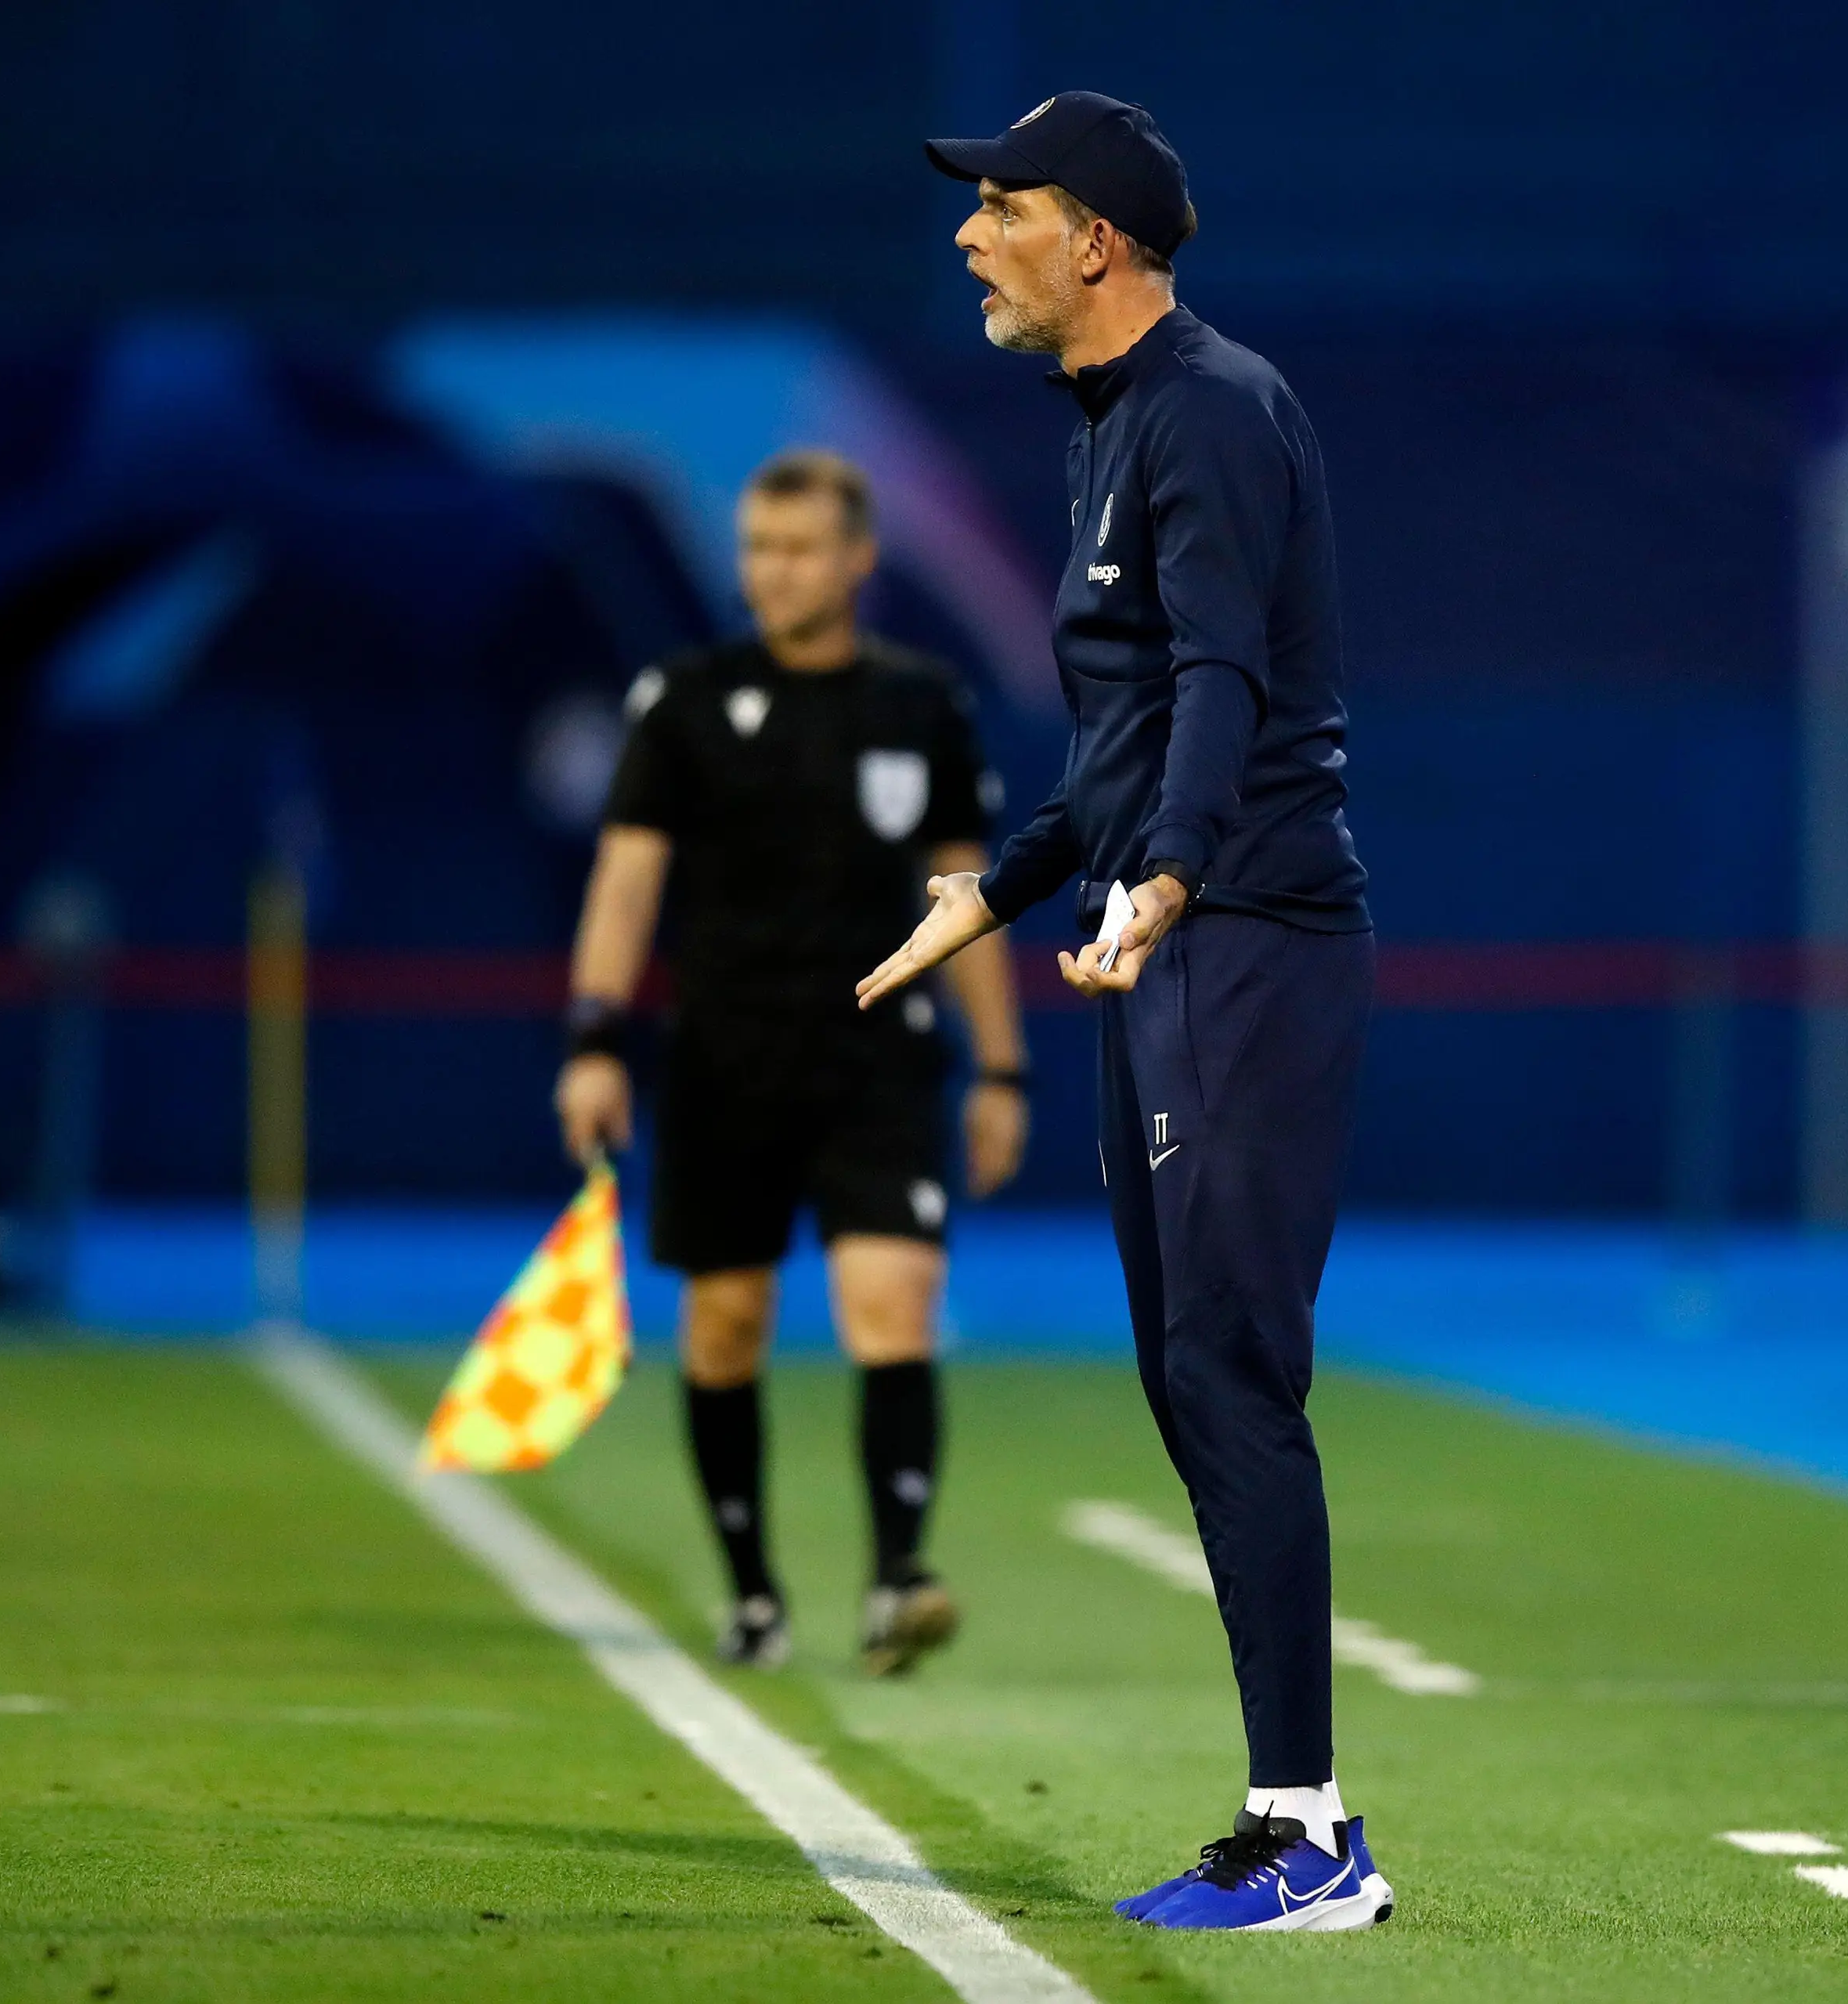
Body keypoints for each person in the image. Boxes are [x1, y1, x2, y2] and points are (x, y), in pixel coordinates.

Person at [858, 94, 1391, 1930]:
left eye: (998, 206)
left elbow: (1230, 681)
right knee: (1189, 1375)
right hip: (1157, 934)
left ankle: (1313, 1834)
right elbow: (1125, 741)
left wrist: (1164, 880)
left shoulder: (1214, 410)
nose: (968, 235)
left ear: (1094, 239)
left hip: (1240, 936)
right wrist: (993, 895)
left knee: (1233, 1369)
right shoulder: (1110, 432)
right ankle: (1289, 1813)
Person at [558, 449, 1031, 1677]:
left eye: (801, 548)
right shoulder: (686, 698)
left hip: (882, 1064)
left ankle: (896, 1577)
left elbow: (966, 893)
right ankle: (756, 1591)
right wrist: (595, 1039)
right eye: (758, 549)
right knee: (725, 1324)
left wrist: (1003, 1067)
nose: (773, 572)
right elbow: (625, 879)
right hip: (724, 1066)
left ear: (859, 558)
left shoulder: (922, 703)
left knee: (892, 1301)